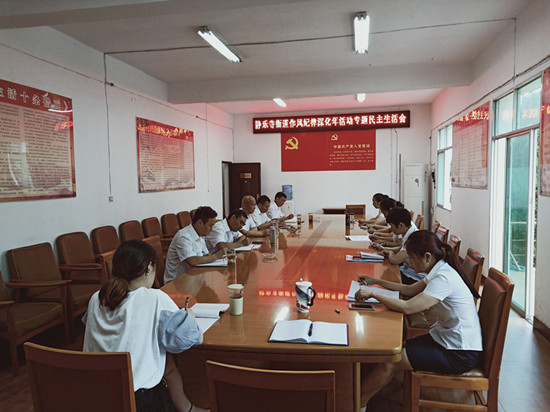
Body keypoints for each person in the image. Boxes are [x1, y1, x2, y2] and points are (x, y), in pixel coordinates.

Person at [354, 230, 482, 410]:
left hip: (458, 352)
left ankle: (354, 404)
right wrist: (375, 281)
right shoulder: (439, 269)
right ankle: (357, 401)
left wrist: (373, 294)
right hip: (445, 339)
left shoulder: (443, 278)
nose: (409, 262)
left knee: (390, 361)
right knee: (393, 352)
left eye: (412, 258)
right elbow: (408, 290)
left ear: (427, 257)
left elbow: (408, 307)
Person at [83, 240, 204, 412]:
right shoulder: (154, 297)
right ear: (148, 268)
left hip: (96, 393)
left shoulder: (96, 297)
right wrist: (188, 318)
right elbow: (189, 339)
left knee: (165, 361)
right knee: (164, 356)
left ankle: (187, 407)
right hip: (139, 401)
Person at [164, 206, 225, 283]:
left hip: (194, 277)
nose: (212, 229)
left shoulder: (200, 235)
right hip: (176, 282)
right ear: (200, 223)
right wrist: (216, 256)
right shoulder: (183, 237)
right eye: (210, 225)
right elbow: (192, 261)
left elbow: (207, 255)